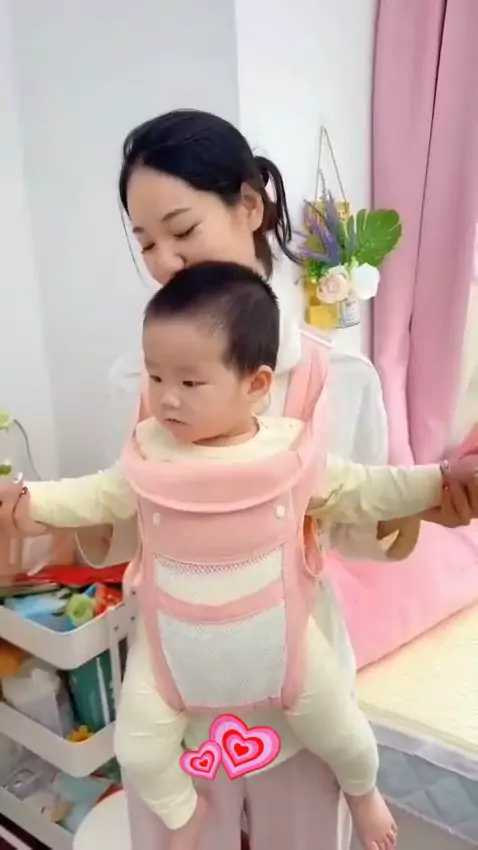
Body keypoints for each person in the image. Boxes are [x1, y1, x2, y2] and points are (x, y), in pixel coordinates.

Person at [1, 110, 477, 850]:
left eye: (181, 229)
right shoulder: (140, 379)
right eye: (145, 242)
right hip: (177, 685)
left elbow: (358, 522)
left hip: (292, 682)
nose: (164, 260)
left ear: (249, 206)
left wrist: (427, 501)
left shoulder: (337, 376)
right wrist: (30, 519)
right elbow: (120, 523)